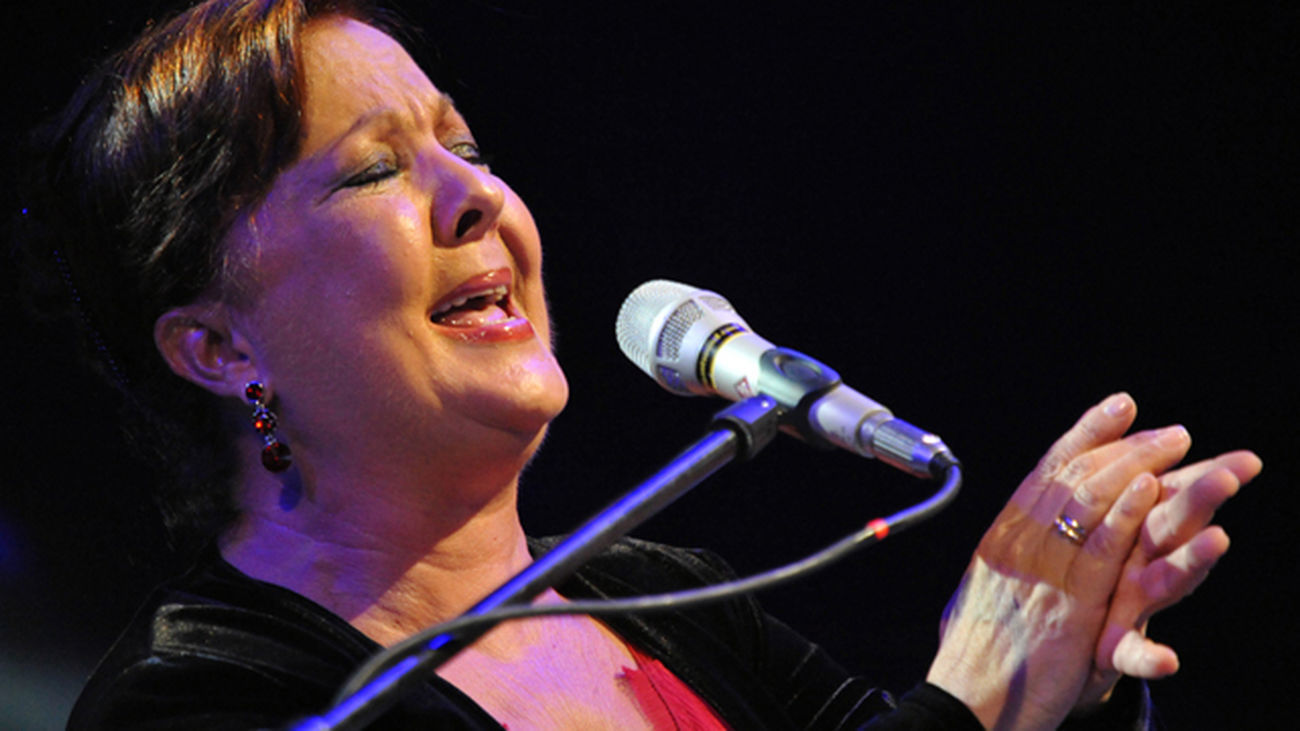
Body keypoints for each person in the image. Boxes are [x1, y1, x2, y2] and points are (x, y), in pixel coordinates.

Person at [15, 0, 1259, 728]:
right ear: (219, 344)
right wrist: (966, 697)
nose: (477, 198)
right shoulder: (202, 698)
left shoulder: (669, 597)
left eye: (467, 148)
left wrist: (1051, 681)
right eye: (376, 169)